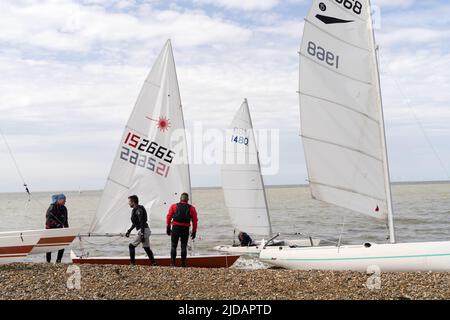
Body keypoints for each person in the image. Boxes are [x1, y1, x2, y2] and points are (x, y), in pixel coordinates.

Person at [166, 193, 198, 267]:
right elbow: (195, 221)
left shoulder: (173, 206)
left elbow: (168, 217)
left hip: (175, 228)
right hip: (185, 229)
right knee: (183, 246)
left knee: (173, 246)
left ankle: (172, 264)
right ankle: (183, 265)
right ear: (187, 200)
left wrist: (168, 227)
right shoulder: (192, 208)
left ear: (180, 199)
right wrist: (194, 231)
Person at [125, 195, 156, 266]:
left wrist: (142, 234)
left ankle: (132, 264)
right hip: (145, 230)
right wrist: (129, 230)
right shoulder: (135, 209)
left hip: (143, 230)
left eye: (129, 202)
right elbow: (136, 223)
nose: (128, 203)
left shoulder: (138, 210)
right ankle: (154, 263)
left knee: (131, 246)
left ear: (133, 202)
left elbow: (141, 221)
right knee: (146, 248)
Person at [45, 194, 69, 263]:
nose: (65, 201)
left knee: (62, 245)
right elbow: (48, 220)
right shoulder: (52, 207)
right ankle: (48, 261)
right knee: (49, 246)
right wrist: (57, 224)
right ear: (59, 200)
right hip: (50, 229)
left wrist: (67, 229)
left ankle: (58, 260)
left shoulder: (64, 208)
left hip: (60, 229)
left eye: (65, 199)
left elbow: (66, 220)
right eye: (64, 200)